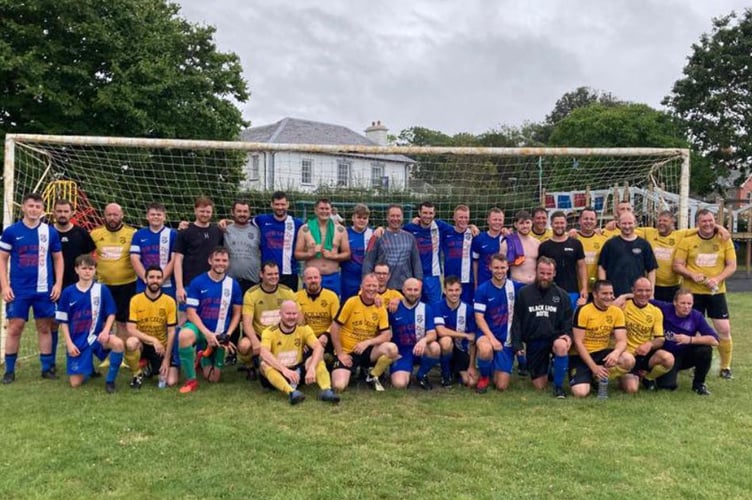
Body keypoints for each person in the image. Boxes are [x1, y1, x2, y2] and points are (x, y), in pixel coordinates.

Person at [0, 192, 64, 383]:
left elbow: (58, 259)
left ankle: (46, 368)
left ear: (42, 210)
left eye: (38, 207)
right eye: (31, 206)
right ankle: (9, 371)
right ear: (24, 208)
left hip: (44, 289)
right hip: (18, 289)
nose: (34, 210)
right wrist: (4, 286)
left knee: (44, 326)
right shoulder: (11, 231)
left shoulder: (50, 232)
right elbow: (2, 259)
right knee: (15, 327)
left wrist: (58, 284)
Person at [673, 208, 736, 379]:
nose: (707, 224)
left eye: (710, 220)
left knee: (723, 329)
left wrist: (717, 279)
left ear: (714, 221)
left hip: (716, 292)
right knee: (693, 331)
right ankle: (694, 364)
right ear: (697, 223)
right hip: (692, 293)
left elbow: (731, 265)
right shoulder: (688, 241)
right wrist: (692, 275)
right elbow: (677, 265)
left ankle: (725, 367)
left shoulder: (724, 239)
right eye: (703, 221)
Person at [176, 247, 242, 393]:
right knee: (184, 335)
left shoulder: (233, 285)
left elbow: (237, 314)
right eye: (217, 260)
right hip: (200, 330)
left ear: (228, 263)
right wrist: (206, 333)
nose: (221, 263)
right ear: (210, 261)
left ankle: (203, 354)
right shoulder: (197, 282)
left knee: (213, 378)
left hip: (219, 334)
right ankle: (191, 380)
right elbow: (191, 312)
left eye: (224, 260)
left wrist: (228, 334)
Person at [56, 255, 125, 393]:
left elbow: (111, 313)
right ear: (76, 270)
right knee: (75, 383)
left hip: (97, 336)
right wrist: (69, 344)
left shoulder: (101, 290)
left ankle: (110, 381)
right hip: (78, 341)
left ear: (95, 271)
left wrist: (106, 331)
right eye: (84, 268)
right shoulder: (68, 292)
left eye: (91, 268)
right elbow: (63, 321)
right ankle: (88, 368)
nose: (87, 271)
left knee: (118, 344)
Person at [510, 257, 573, 398]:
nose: (545, 277)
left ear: (554, 273)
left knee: (561, 345)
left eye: (549, 274)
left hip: (554, 338)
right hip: (534, 341)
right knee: (540, 385)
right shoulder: (524, 293)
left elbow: (568, 321)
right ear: (536, 271)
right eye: (542, 273)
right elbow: (517, 320)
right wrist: (517, 343)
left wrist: (567, 336)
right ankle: (551, 368)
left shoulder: (562, 295)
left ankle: (558, 388)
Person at [258, 301, 340, 405]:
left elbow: (318, 347)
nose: (291, 317)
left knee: (317, 357)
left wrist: (311, 368)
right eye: (288, 314)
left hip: (297, 372)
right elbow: (263, 352)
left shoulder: (304, 329)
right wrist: (284, 370)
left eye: (294, 313)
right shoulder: (269, 332)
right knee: (264, 364)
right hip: (278, 372)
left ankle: (326, 390)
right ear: (280, 314)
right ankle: (291, 393)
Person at [330, 273, 399, 392]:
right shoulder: (351, 302)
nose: (371, 289)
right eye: (368, 285)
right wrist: (340, 353)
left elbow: (386, 335)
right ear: (361, 286)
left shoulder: (380, 307)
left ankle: (372, 375)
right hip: (348, 351)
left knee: (392, 349)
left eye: (374, 286)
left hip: (367, 350)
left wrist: (367, 342)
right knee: (339, 386)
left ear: (378, 288)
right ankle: (343, 368)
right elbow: (335, 327)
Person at [51, 198, 97, 374]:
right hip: (54, 287)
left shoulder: (81, 234)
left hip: (79, 287)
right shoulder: (47, 232)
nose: (62, 214)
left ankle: (87, 364)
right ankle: (51, 363)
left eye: (65, 211)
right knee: (53, 324)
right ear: (54, 213)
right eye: (59, 211)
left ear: (72, 213)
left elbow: (90, 257)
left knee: (82, 324)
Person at [569, 280, 634, 398]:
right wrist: (594, 367)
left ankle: (598, 379)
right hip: (581, 356)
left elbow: (622, 341)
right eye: (604, 293)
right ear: (594, 294)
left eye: (611, 293)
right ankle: (592, 375)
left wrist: (616, 352)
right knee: (580, 393)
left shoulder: (617, 311)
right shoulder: (583, 310)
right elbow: (578, 343)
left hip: (601, 353)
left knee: (628, 360)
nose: (609, 297)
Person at [652, 289, 719, 395]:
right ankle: (654, 376)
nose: (686, 307)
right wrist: (623, 297)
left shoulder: (696, 316)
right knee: (667, 387)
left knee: (705, 350)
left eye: (689, 303)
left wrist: (690, 339)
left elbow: (715, 340)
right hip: (667, 356)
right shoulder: (665, 308)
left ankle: (699, 384)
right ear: (674, 302)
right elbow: (643, 298)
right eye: (682, 303)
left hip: (686, 355)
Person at [473, 254, 524, 393]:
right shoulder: (482, 290)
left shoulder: (515, 287)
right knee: (485, 349)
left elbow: (535, 288)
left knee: (501, 385)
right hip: (487, 334)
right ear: (490, 268)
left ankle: (492, 367)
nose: (499, 271)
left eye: (502, 267)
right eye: (496, 267)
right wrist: (491, 338)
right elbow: (479, 318)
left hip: (506, 339)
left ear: (508, 267)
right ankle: (483, 377)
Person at [615, 277, 673, 394]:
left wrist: (649, 344)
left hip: (644, 355)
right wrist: (623, 297)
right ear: (633, 290)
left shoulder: (656, 311)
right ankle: (618, 375)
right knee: (631, 389)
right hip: (626, 354)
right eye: (640, 290)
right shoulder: (623, 306)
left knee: (668, 359)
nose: (644, 294)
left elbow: (660, 339)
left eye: (647, 291)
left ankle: (648, 378)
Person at [237, 261, 296, 375]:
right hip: (260, 335)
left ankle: (263, 361)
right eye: (270, 274)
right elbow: (247, 323)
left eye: (276, 274)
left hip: (280, 334)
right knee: (244, 345)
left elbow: (297, 319)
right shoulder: (251, 294)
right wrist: (255, 342)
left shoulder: (287, 292)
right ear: (261, 274)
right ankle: (249, 364)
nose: (274, 277)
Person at [125, 266, 178, 388]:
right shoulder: (135, 300)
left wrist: (166, 359)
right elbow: (131, 328)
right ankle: (137, 374)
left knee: (170, 382)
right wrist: (153, 340)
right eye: (152, 277)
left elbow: (171, 332)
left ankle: (150, 366)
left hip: (161, 348)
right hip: (143, 344)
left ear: (162, 280)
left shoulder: (169, 301)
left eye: (158, 277)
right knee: (131, 342)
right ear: (145, 279)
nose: (155, 280)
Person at [90, 202, 137, 340]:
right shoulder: (95, 234)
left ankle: (121, 353)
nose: (112, 218)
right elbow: (87, 258)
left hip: (127, 284)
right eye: (109, 214)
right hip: (103, 285)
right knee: (105, 322)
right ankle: (107, 354)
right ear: (104, 215)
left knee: (123, 322)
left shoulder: (132, 233)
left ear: (122, 215)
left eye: (115, 214)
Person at [222, 199, 261, 362]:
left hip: (252, 280)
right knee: (231, 315)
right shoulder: (224, 230)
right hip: (231, 280)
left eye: (245, 211)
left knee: (249, 316)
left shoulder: (257, 230)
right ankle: (230, 350)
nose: (242, 214)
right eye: (239, 211)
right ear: (233, 212)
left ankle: (248, 349)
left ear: (249, 213)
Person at [388, 278, 441, 390]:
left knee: (435, 348)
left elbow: (433, 333)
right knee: (399, 384)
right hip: (401, 352)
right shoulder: (393, 307)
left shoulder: (426, 308)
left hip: (419, 349)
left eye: (415, 290)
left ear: (420, 291)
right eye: (409, 289)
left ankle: (421, 375)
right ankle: (402, 370)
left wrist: (423, 341)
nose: (412, 293)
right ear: (403, 290)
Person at [174, 196, 224, 310]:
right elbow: (177, 261)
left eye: (208, 212)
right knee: (184, 321)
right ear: (195, 210)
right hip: (189, 285)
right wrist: (179, 287)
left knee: (209, 319)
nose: (205, 214)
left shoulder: (217, 231)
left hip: (212, 284)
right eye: (202, 211)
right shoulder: (185, 232)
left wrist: (225, 221)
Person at [294, 198, 350, 296]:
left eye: (327, 209)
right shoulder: (305, 229)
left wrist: (333, 256)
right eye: (322, 208)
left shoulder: (340, 230)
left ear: (331, 210)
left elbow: (347, 254)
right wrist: (310, 254)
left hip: (332, 277)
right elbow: (297, 254)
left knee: (334, 308)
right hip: (312, 277)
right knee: (309, 308)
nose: (324, 211)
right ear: (316, 210)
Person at [403, 202, 453, 303]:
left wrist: (471, 227)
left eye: (430, 213)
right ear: (419, 213)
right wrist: (380, 229)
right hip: (414, 275)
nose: (427, 216)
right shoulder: (410, 228)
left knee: (434, 307)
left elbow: (458, 230)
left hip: (432, 275)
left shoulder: (440, 226)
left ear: (434, 214)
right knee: (414, 306)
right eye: (425, 213)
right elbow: (394, 232)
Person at [362, 204, 422, 290]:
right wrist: (367, 282)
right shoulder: (377, 236)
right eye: (392, 216)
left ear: (402, 217)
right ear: (387, 217)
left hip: (405, 287)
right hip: (382, 288)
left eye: (398, 216)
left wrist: (419, 280)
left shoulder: (410, 237)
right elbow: (368, 262)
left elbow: (416, 261)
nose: (395, 219)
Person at [597, 212, 657, 296]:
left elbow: (651, 270)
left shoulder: (644, 244)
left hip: (637, 295)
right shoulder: (610, 244)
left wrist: (651, 292)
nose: (627, 226)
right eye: (624, 223)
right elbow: (602, 267)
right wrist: (604, 290)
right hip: (614, 294)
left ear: (635, 223)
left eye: (630, 223)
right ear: (619, 224)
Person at [538, 211, 588, 310]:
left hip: (572, 291)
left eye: (562, 223)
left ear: (566, 224)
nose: (559, 226)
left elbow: (582, 267)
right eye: (556, 223)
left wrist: (584, 288)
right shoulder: (544, 246)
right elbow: (539, 270)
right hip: (550, 290)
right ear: (551, 224)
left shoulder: (575, 244)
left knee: (570, 320)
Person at [254, 191, 304, 291]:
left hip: (289, 274)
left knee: (289, 305)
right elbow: (243, 224)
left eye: (283, 204)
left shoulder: (297, 223)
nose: (280, 207)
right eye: (277, 204)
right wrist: (225, 222)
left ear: (288, 205)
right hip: (268, 273)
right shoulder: (261, 220)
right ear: (271, 204)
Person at [434, 276, 477, 388]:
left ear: (461, 290)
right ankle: (446, 375)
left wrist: (472, 365)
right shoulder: (437, 306)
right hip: (444, 347)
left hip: (461, 349)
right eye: (451, 290)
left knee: (470, 382)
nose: (454, 293)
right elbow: (441, 331)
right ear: (445, 291)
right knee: (446, 341)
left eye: (457, 290)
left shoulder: (468, 309)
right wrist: (464, 335)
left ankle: (457, 372)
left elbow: (473, 340)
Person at [129, 202, 177, 297]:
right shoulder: (138, 234)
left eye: (159, 214)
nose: (155, 217)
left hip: (166, 284)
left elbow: (174, 260)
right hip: (144, 283)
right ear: (147, 216)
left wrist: (159, 280)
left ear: (164, 217)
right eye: (152, 214)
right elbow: (134, 258)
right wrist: (147, 279)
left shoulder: (173, 234)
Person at [295, 266, 340, 363]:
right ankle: (322, 359)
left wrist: (326, 334)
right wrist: (303, 338)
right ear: (303, 280)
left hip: (328, 337)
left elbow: (336, 321)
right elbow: (298, 323)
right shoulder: (296, 297)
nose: (313, 280)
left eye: (315, 277)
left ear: (320, 279)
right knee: (305, 359)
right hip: (308, 337)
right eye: (309, 278)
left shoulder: (332, 296)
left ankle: (327, 358)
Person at [440, 205, 476, 303]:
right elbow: (430, 222)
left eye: (466, 217)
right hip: (450, 279)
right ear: (454, 218)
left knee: (466, 309)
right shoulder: (445, 232)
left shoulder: (474, 234)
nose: (463, 220)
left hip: (468, 280)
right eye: (460, 217)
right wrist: (417, 220)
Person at [340, 204, 374, 301]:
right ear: (353, 218)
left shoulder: (373, 234)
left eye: (365, 218)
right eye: (359, 217)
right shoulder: (345, 233)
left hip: (367, 278)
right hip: (348, 279)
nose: (362, 220)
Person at [500, 210, 539, 285]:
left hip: (534, 285)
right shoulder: (508, 243)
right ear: (515, 224)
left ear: (532, 223)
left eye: (527, 223)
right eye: (521, 223)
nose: (525, 226)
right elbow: (500, 266)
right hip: (516, 284)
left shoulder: (537, 243)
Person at [575, 206, 608, 294]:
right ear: (579, 221)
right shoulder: (572, 238)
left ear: (596, 222)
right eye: (585, 219)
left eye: (592, 219)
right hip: (577, 288)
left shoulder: (603, 240)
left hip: (597, 290)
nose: (589, 221)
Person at [472, 208, 505, 287]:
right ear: (488, 221)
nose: (497, 222)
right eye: (494, 219)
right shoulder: (479, 238)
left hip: (502, 283)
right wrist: (476, 283)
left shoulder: (506, 239)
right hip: (483, 282)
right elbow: (475, 262)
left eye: (500, 220)